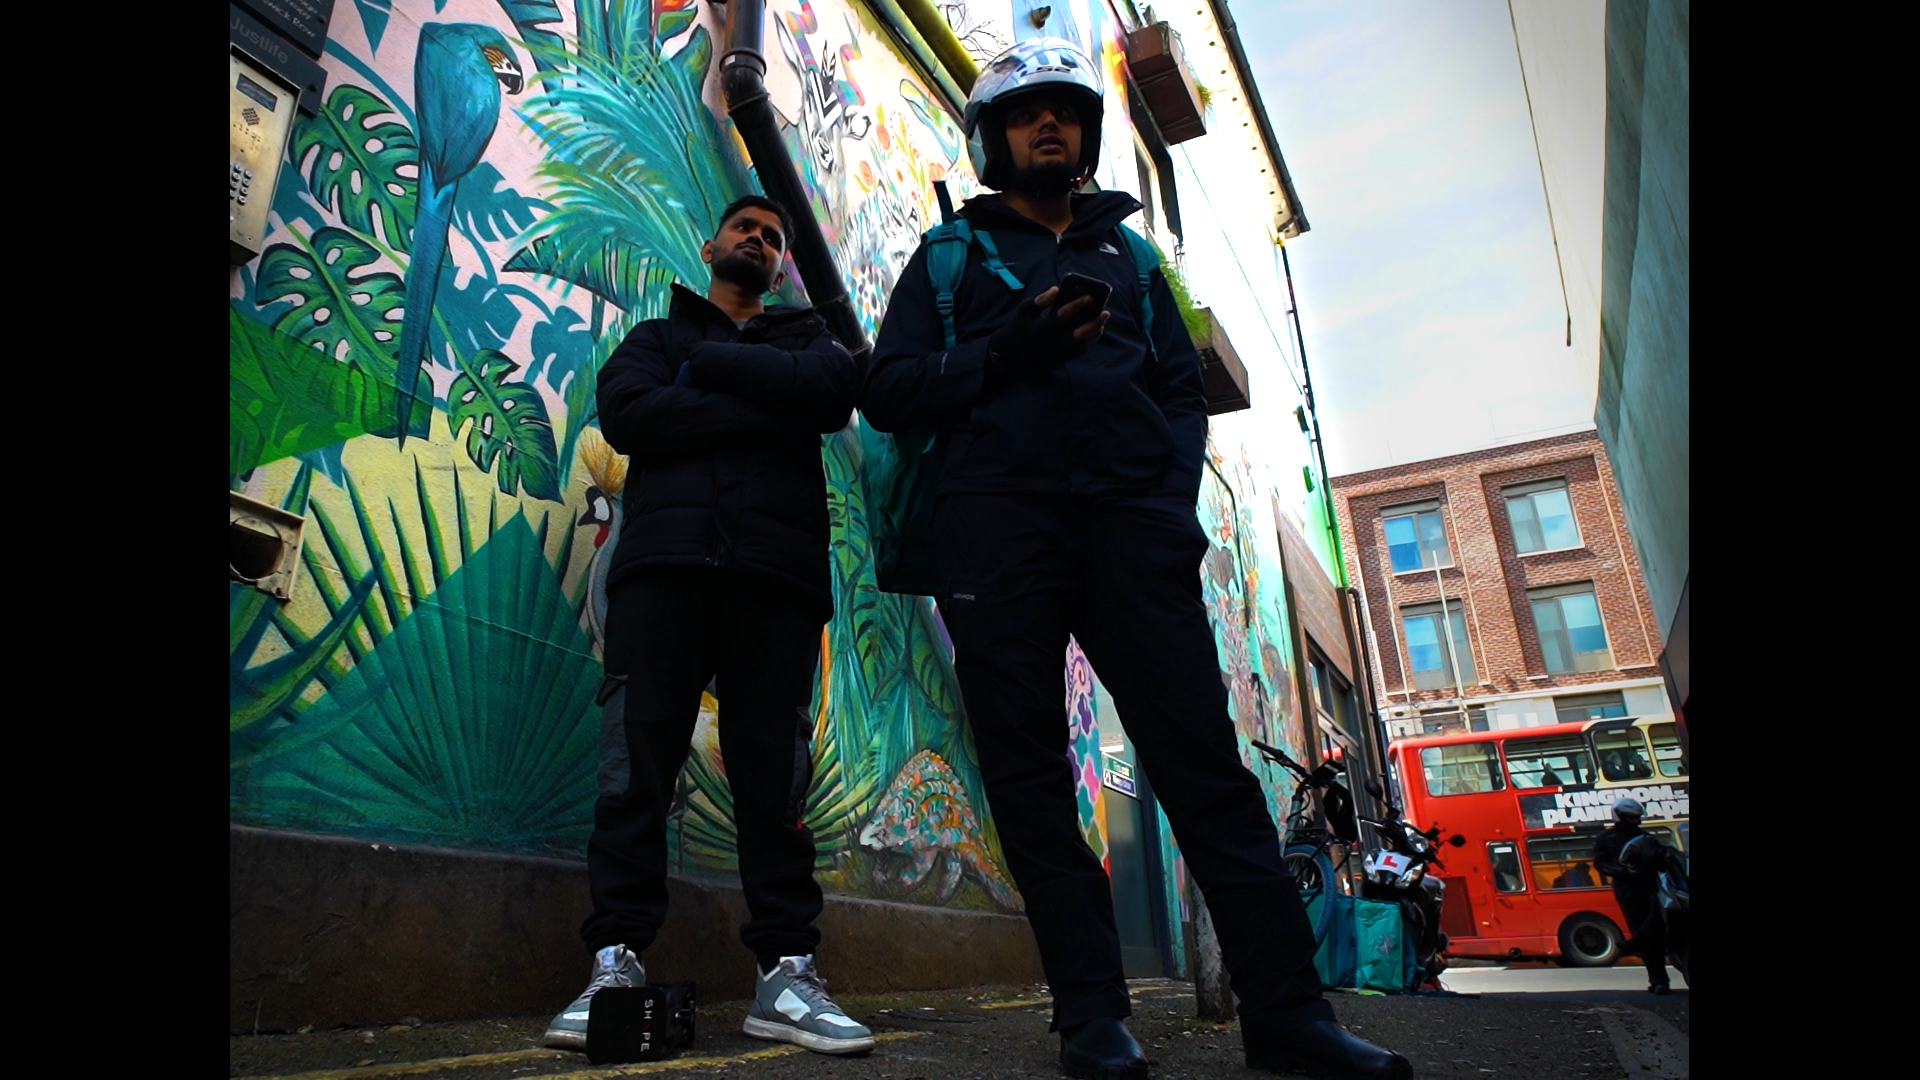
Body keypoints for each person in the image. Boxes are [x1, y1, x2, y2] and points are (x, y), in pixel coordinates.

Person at [862, 37, 1411, 1080]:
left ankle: (1289, 1016)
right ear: (991, 138)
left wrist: (1167, 510)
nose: (1050, 124)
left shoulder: (1134, 256)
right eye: (1027, 113)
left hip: (1130, 534)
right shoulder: (947, 257)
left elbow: (1180, 391)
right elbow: (887, 391)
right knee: (1030, 777)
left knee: (1206, 771)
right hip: (995, 533)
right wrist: (1007, 352)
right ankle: (1090, 1017)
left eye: (1067, 110)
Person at [543, 196, 874, 1056]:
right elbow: (631, 416)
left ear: (781, 263)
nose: (758, 241)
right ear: (711, 246)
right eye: (745, 230)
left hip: (776, 580)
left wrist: (710, 375)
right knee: (635, 773)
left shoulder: (805, 337)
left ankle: (786, 976)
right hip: (663, 572)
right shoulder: (656, 340)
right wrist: (768, 404)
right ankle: (614, 964)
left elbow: (834, 393)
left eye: (773, 238)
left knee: (776, 787)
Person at [1592, 797, 1670, 994]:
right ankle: (1658, 979)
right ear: (1620, 816)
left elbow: (1662, 861)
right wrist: (1624, 871)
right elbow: (1600, 864)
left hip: (1651, 888)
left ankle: (1634, 948)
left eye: (1637, 817)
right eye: (1631, 817)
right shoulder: (1605, 839)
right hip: (1627, 891)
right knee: (1642, 932)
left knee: (1655, 931)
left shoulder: (1645, 837)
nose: (1636, 821)